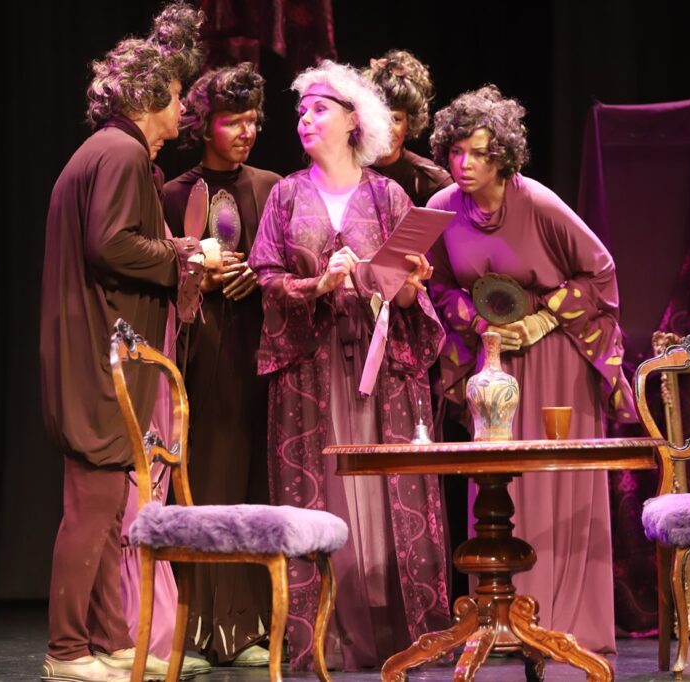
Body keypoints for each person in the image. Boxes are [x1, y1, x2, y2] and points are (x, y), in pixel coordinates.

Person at [38, 4, 222, 681]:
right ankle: (67, 650)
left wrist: (176, 252)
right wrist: (184, 256)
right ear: (146, 99)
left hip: (103, 350)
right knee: (92, 510)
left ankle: (112, 638)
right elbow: (111, 244)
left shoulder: (109, 153)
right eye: (175, 97)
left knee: (114, 504)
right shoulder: (119, 152)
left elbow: (116, 241)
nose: (183, 111)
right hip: (98, 357)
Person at [247, 60, 450, 671]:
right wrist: (316, 285)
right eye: (301, 111)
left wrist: (407, 285)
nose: (305, 119)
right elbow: (266, 276)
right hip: (311, 370)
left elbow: (410, 294)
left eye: (319, 109)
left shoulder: (387, 196)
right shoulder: (286, 194)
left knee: (383, 492)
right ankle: (324, 637)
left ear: (352, 120)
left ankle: (400, 634)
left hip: (379, 368)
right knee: (324, 489)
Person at [426, 85, 637, 655]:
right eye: (456, 152)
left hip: (557, 359)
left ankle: (563, 622)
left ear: (503, 156)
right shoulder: (443, 207)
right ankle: (498, 618)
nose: (465, 164)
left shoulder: (538, 202)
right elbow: (438, 285)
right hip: (494, 362)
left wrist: (544, 320)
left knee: (553, 481)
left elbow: (600, 272)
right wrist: (476, 322)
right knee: (495, 479)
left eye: (478, 153)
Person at [153, 62, 280, 668]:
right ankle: (196, 628)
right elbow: (157, 268)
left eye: (252, 120)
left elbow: (289, 261)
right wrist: (196, 276)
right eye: (233, 121)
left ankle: (251, 627)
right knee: (203, 476)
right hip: (201, 350)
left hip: (259, 347)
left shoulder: (274, 187)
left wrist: (261, 273)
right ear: (205, 125)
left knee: (254, 475)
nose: (246, 132)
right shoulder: (173, 193)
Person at [362, 49, 451, 207]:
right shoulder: (344, 172)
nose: (386, 129)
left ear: (409, 123)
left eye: (395, 119)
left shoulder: (433, 184)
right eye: (379, 117)